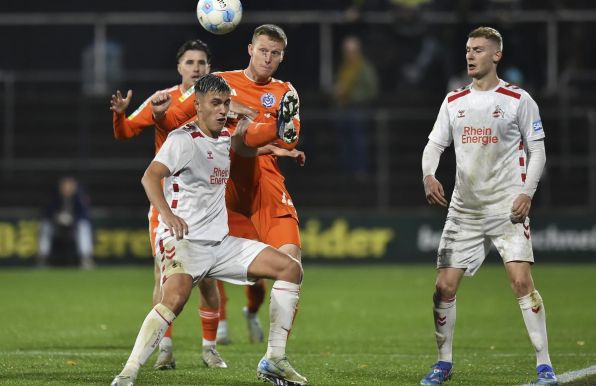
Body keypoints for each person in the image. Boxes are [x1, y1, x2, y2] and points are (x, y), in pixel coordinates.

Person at [110, 74, 307, 386]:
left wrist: (282, 147)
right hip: (183, 240)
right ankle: (128, 372)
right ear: (197, 106)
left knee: (290, 269)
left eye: (226, 104)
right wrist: (168, 215)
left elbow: (246, 147)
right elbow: (150, 177)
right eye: (215, 103)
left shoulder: (225, 136)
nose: (222, 110)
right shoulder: (182, 140)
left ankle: (274, 359)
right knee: (174, 298)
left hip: (219, 243)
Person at [419, 27, 556, 385]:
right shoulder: (453, 101)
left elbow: (537, 149)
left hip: (507, 206)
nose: (470, 55)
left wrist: (527, 192)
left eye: (478, 49)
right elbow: (434, 145)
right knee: (443, 288)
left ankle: (545, 364)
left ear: (496, 55)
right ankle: (443, 362)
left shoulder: (518, 99)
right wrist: (429, 175)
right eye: (467, 49)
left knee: (520, 281)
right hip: (464, 210)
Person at [152, 24, 304, 347]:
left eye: (275, 54)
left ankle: (273, 349)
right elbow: (175, 118)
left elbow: (292, 136)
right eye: (263, 50)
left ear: (282, 57)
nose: (268, 58)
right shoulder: (223, 84)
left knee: (289, 263)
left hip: (265, 180)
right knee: (209, 253)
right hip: (223, 180)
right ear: (250, 49)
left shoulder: (285, 91)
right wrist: (158, 115)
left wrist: (279, 132)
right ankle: (217, 327)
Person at [109, 39, 228, 369]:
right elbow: (127, 132)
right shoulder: (163, 98)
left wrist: (163, 118)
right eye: (190, 62)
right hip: (170, 203)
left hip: (206, 202)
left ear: (209, 66)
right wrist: (121, 116)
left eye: (202, 62)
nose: (196, 67)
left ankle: (210, 347)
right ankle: (164, 349)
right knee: (164, 275)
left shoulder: (218, 101)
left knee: (207, 278)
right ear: (179, 68)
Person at [333, 35, 378, 180]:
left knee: (359, 141)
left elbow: (372, 90)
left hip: (359, 109)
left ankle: (360, 169)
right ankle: (346, 169)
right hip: (344, 108)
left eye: (351, 51)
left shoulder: (364, 68)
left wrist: (351, 94)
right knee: (344, 141)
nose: (349, 54)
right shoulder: (344, 67)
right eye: (346, 51)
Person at [37, 176, 95, 269]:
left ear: (74, 187)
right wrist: (57, 217)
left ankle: (86, 258)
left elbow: (84, 214)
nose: (67, 188)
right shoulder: (55, 196)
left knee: (83, 226)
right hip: (57, 223)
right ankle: (42, 258)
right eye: (64, 186)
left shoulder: (79, 197)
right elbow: (47, 213)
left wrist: (72, 218)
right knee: (45, 226)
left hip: (74, 224)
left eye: (69, 186)